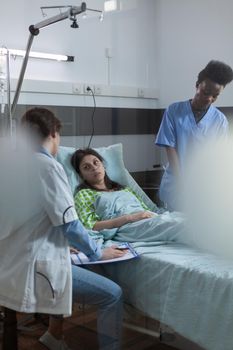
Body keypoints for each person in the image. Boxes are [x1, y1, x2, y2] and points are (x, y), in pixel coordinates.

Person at [0, 107, 125, 350]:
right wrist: (97, 252)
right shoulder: (48, 167)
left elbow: (32, 219)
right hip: (36, 267)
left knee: (68, 263)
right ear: (54, 133)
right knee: (113, 295)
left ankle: (54, 337)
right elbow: (70, 224)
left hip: (10, 262)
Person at [155, 60, 233, 211]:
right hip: (176, 184)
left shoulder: (220, 121)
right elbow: (170, 149)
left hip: (204, 186)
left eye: (215, 96)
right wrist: (182, 183)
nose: (209, 98)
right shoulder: (173, 111)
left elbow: (217, 158)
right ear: (197, 85)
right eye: (206, 92)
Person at [71, 148, 187, 245]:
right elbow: (91, 226)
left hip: (148, 219)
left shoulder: (124, 189)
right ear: (82, 175)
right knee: (180, 226)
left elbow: (147, 210)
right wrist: (130, 218)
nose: (93, 167)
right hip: (127, 228)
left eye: (96, 162)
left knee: (188, 219)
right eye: (86, 167)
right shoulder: (83, 194)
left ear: (103, 165)